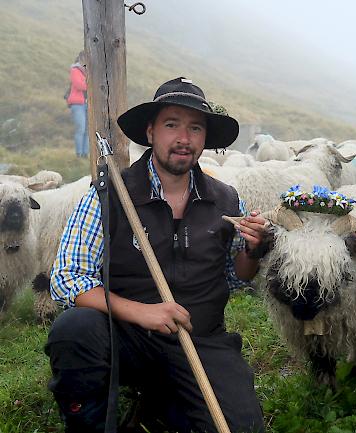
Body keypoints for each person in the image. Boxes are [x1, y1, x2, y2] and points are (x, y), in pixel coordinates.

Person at [45, 77, 267, 433]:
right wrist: (142, 312)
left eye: (195, 128)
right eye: (172, 125)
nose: (184, 138)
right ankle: (90, 422)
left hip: (200, 339)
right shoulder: (111, 195)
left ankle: (167, 398)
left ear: (205, 138)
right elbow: (68, 278)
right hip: (128, 338)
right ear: (150, 132)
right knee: (75, 330)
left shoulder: (225, 200)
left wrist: (253, 250)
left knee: (241, 426)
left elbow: (236, 276)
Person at [67, 51, 89, 158]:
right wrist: (90, 83)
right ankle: (79, 154)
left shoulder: (89, 71)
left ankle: (85, 153)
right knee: (80, 128)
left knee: (88, 130)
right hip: (78, 104)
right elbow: (79, 85)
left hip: (88, 104)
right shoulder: (75, 70)